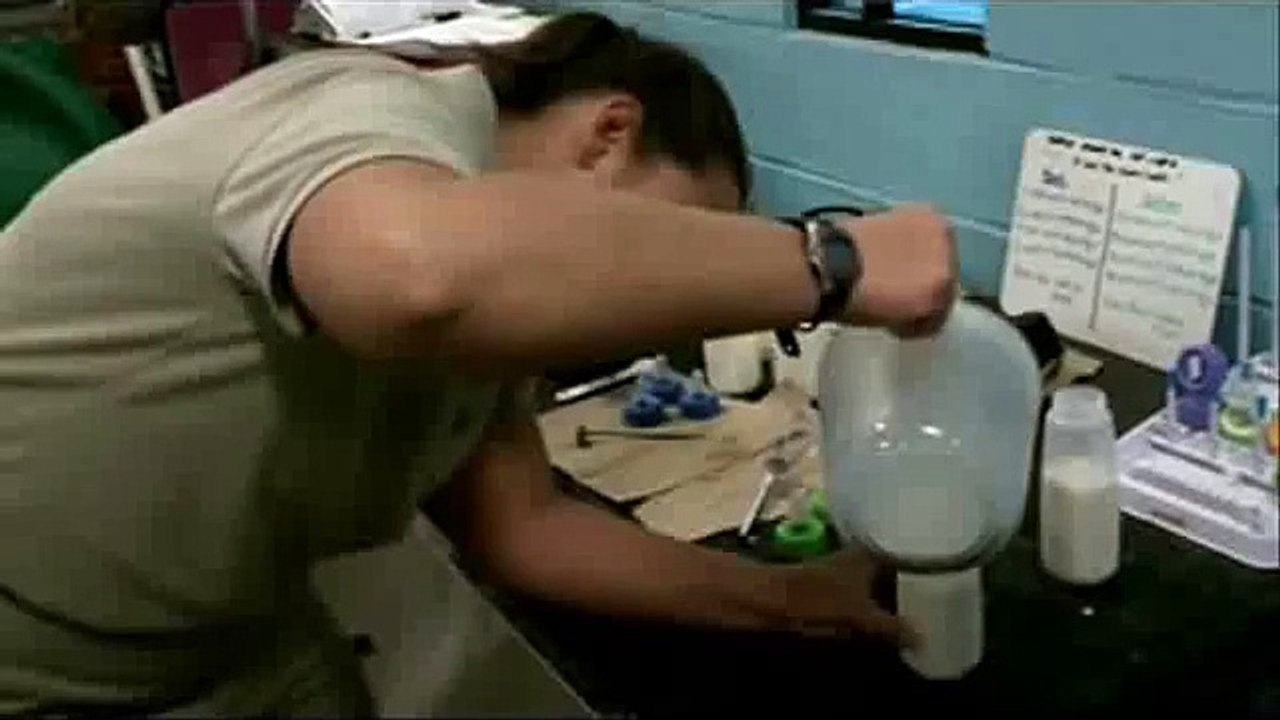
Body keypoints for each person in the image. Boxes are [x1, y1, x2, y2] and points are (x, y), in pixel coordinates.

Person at [0, 11, 956, 715]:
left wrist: (787, 602)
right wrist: (830, 262)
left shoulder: (498, 289)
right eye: (674, 231)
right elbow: (415, 278)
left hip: (236, 640)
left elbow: (525, 527)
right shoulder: (370, 109)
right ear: (608, 134)